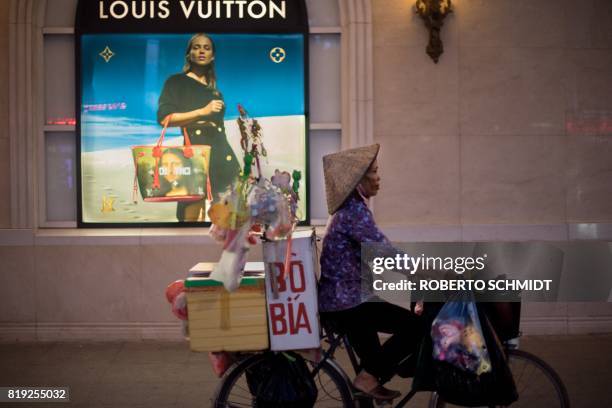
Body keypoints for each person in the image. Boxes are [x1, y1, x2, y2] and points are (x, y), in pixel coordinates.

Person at [319, 144, 425, 401]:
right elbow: (383, 251)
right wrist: (420, 271)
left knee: (376, 364)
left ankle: (369, 379)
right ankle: (368, 378)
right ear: (358, 181)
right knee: (417, 326)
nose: (379, 178)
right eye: (374, 172)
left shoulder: (350, 210)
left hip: (345, 299)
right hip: (348, 304)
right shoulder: (354, 213)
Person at [157, 33, 240, 221]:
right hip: (194, 155)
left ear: (213, 56)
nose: (201, 50)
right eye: (196, 47)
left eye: (206, 47)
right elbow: (164, 119)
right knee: (191, 217)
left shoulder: (215, 90)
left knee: (228, 220)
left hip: (222, 155)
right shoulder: (176, 82)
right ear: (188, 54)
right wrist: (202, 112)